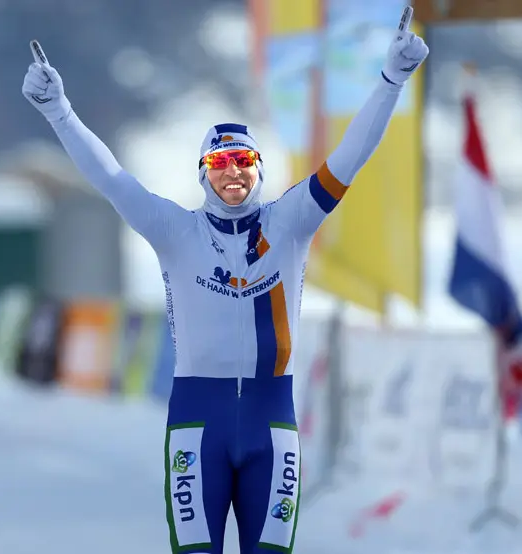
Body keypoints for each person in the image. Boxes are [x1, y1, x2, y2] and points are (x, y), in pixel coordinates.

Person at [22, 7, 428, 553]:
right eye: (219, 162)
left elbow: (347, 160)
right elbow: (112, 179)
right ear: (203, 173)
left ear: (258, 168)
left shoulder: (291, 221)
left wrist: (391, 80)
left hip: (271, 423)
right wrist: (59, 112)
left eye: (242, 159)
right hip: (197, 424)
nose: (232, 171)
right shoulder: (174, 230)